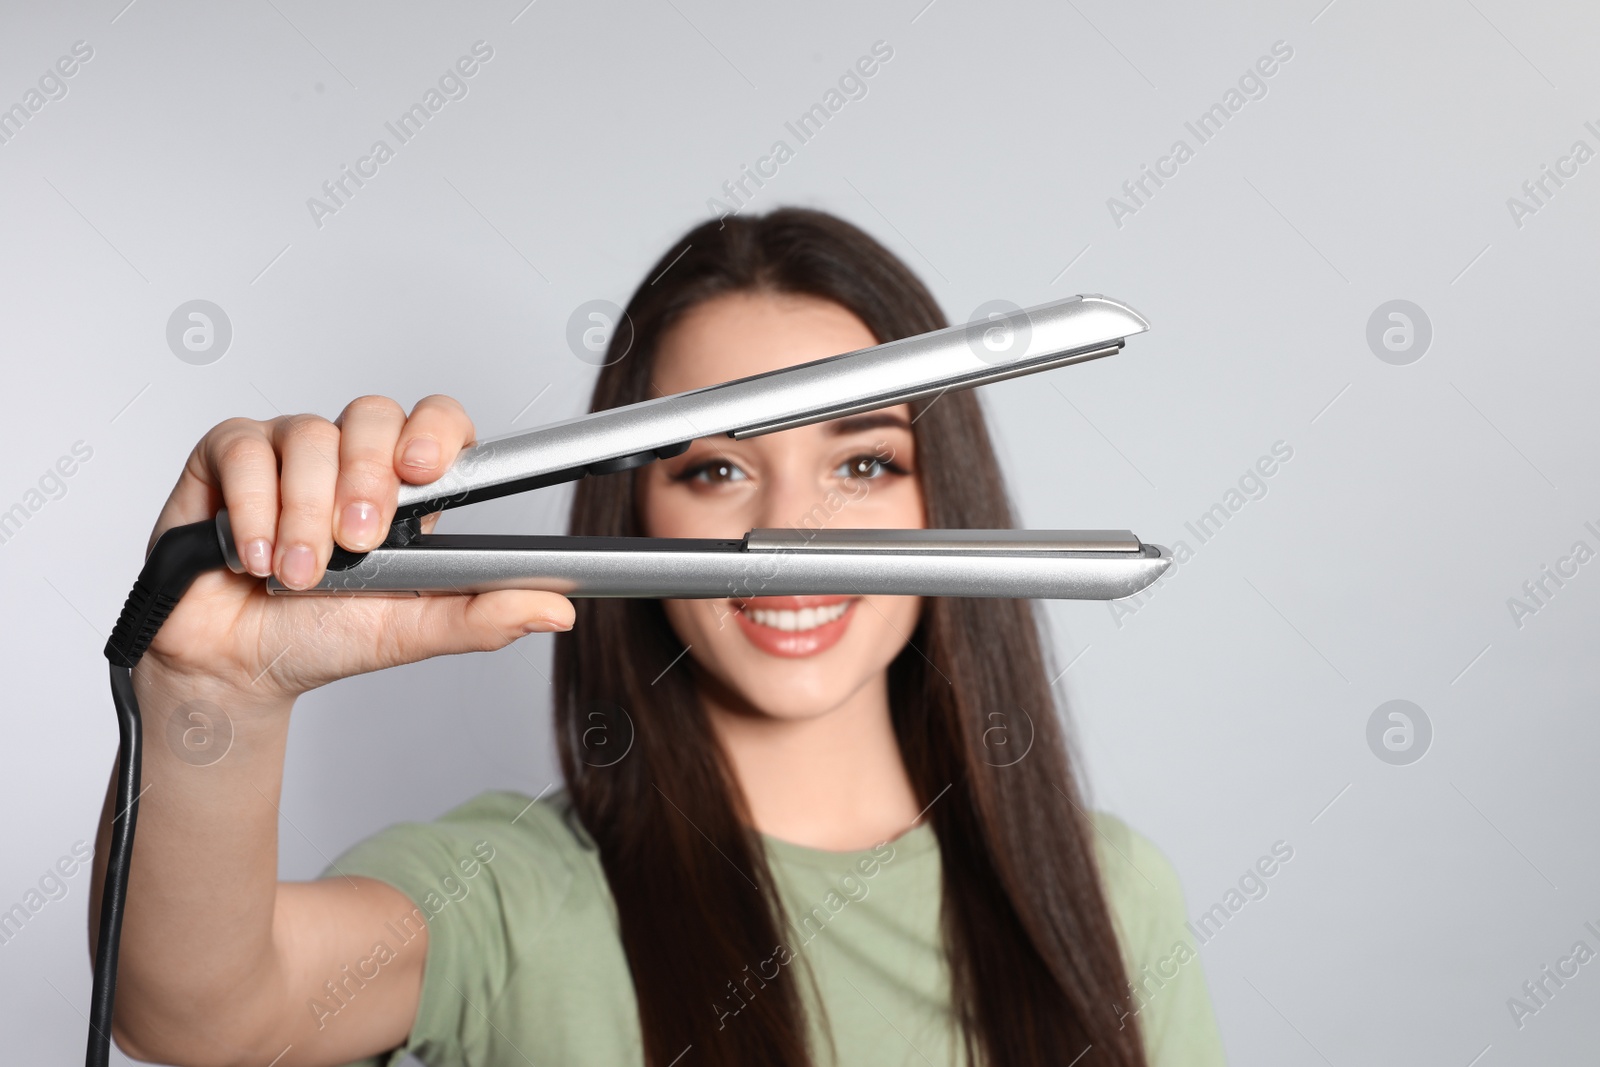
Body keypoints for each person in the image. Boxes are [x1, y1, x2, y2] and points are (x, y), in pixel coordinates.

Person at [90, 208, 1226, 1066]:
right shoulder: (515, 893)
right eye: (715, 467)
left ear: (946, 499)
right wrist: (211, 693)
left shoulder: (1107, 892)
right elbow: (193, 1006)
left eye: (864, 461)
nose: (789, 530)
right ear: (633, 511)